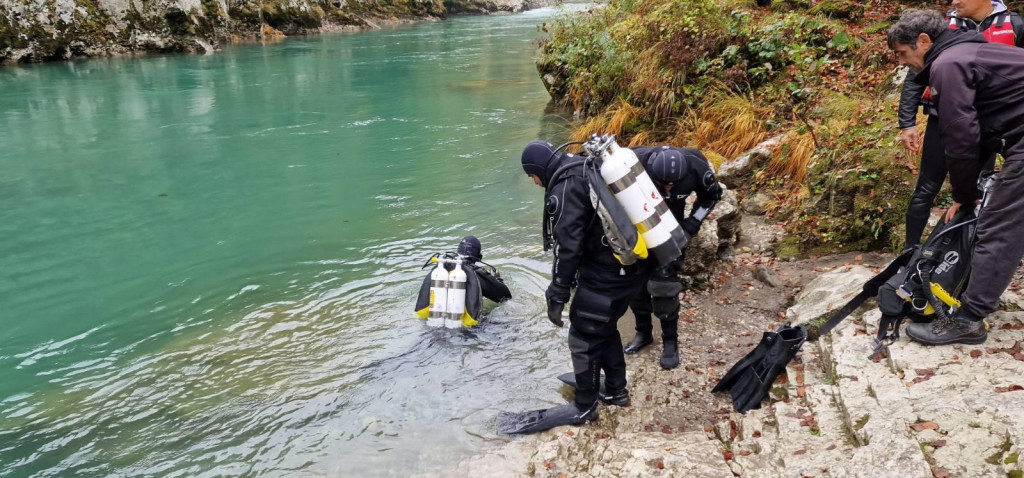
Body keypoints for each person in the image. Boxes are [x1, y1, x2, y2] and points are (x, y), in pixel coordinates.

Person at [887, 9, 1024, 345]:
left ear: (923, 41)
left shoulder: (948, 65)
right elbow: (978, 131)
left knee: (997, 228)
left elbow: (960, 137)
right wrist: (966, 192)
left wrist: (964, 196)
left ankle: (968, 320)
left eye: (903, 54)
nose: (903, 63)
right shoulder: (971, 51)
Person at [499, 140, 654, 434]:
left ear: (538, 170)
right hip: (634, 267)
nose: (533, 182)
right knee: (603, 325)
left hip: (608, 274)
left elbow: (567, 248)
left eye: (531, 176)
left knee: (583, 333)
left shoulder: (565, 187)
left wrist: (557, 294)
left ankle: (583, 406)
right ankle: (615, 391)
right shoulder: (585, 166)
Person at [896, 0, 1023, 248]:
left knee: (977, 189)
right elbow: (915, 77)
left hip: (987, 123)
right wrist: (907, 122)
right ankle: (909, 251)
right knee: (926, 188)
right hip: (941, 115)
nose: (954, 1)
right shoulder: (942, 29)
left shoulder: (1014, 24)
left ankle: (959, 251)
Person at [622, 146, 722, 369]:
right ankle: (643, 333)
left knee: (665, 285)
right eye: (663, 183)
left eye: (673, 185)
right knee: (636, 284)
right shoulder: (636, 162)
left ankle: (670, 342)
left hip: (671, 232)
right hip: (637, 229)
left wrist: (692, 224)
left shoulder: (697, 166)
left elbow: (712, 195)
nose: (668, 188)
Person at [455, 235, 512, 303]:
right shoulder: (477, 274)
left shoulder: (443, 265)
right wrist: (497, 279)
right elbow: (505, 297)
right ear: (479, 257)